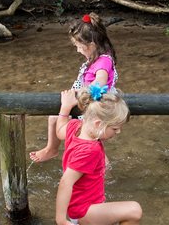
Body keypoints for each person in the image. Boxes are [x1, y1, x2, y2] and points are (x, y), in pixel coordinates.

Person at [30, 13, 119, 162]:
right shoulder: (99, 54)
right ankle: (51, 149)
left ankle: (103, 170)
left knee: (92, 142)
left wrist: (78, 96)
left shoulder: (103, 62)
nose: (78, 51)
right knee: (54, 118)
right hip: (86, 100)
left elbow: (100, 84)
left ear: (91, 45)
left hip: (94, 105)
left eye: (79, 47)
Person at [54, 85, 142, 225]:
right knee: (134, 210)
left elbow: (59, 131)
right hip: (84, 211)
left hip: (79, 205)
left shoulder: (75, 126)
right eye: (115, 128)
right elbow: (66, 182)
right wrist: (60, 220)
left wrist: (65, 107)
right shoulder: (90, 150)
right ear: (98, 123)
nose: (118, 132)